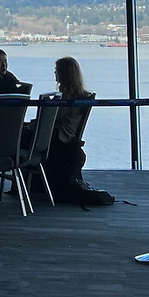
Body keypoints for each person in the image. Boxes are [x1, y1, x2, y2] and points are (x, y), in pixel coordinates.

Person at [42, 56, 112, 206]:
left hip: (60, 138)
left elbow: (55, 120)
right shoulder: (80, 96)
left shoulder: (66, 98)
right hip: (68, 137)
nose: (55, 73)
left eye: (57, 71)